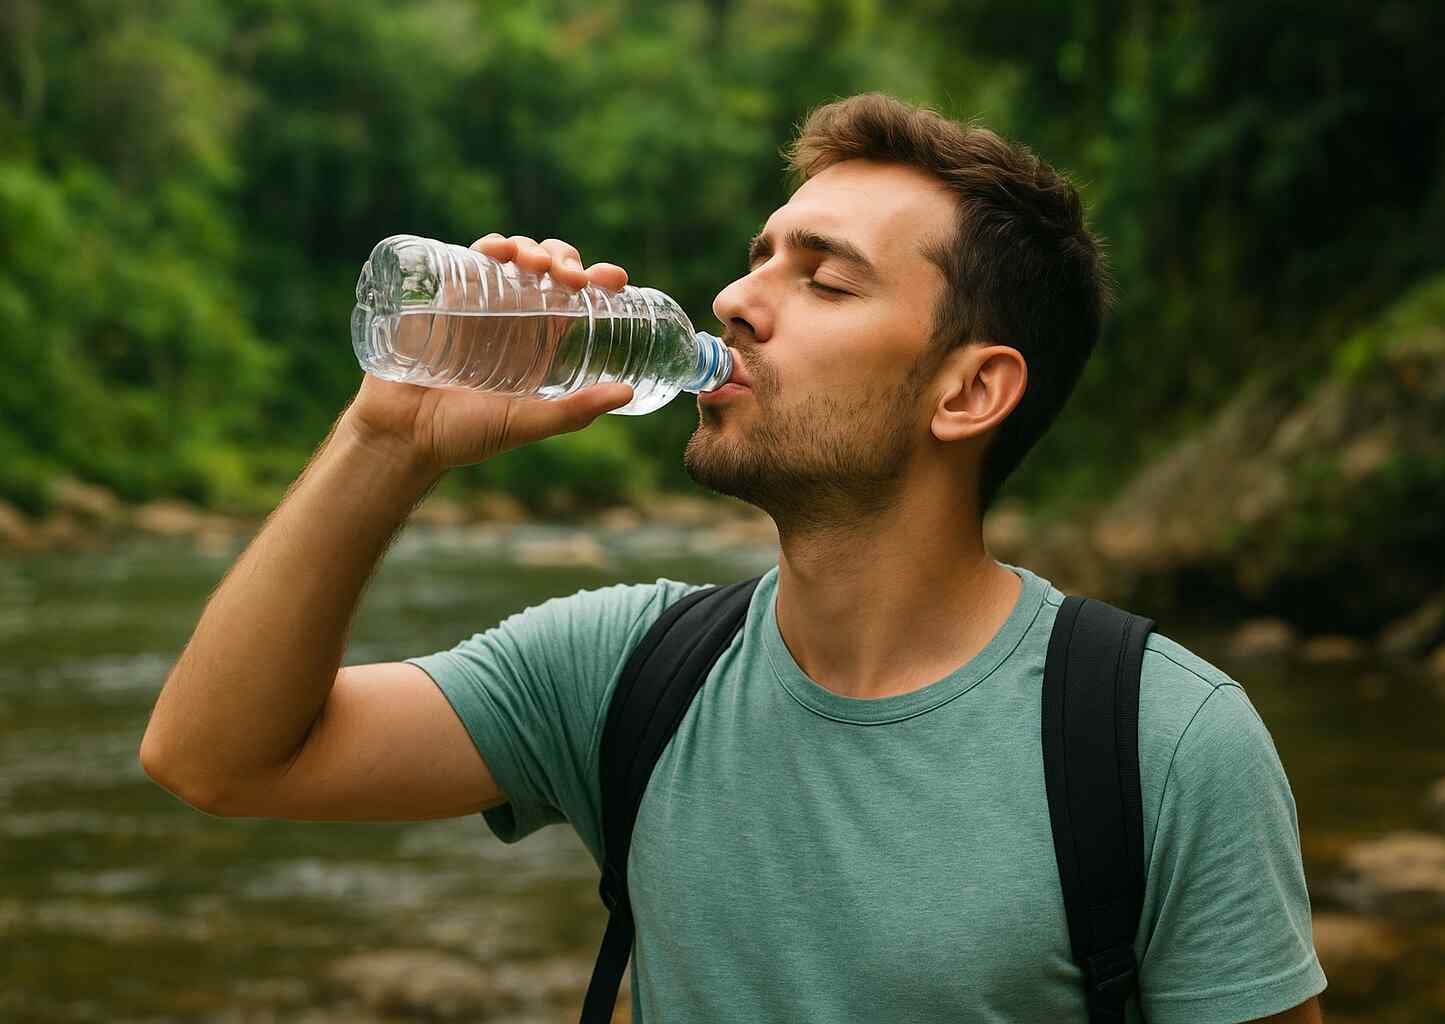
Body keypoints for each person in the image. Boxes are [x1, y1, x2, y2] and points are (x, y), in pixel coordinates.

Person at [141, 93, 1327, 1022]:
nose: (735, 302)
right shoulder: (627, 670)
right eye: (758, 260)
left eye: (823, 278)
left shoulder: (1158, 743)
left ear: (970, 391)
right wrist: (385, 439)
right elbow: (217, 757)